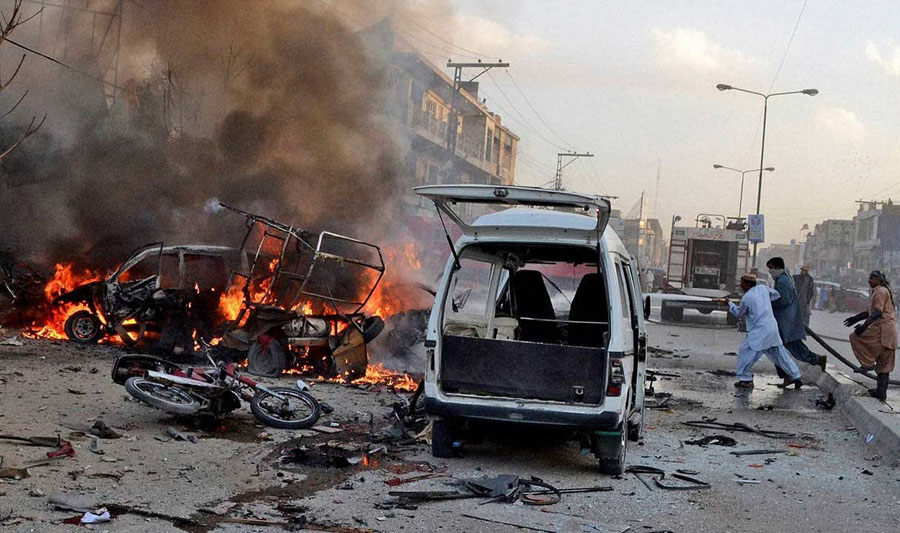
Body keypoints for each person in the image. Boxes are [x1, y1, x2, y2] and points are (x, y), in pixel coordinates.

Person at [721, 274, 803, 389]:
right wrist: (765, 301)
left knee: (746, 352)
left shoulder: (747, 297)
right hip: (771, 327)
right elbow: (776, 294)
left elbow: (739, 313)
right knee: (779, 354)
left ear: (748, 284)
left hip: (759, 330)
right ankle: (795, 375)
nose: (741, 286)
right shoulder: (763, 289)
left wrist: (729, 304)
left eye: (742, 283)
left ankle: (745, 379)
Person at [766, 257, 827, 378]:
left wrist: (769, 302)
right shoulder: (786, 278)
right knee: (794, 346)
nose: (770, 271)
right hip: (788, 318)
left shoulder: (783, 281)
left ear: (778, 268)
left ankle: (788, 375)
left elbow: (784, 300)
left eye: (771, 268)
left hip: (785, 320)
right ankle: (817, 360)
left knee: (780, 348)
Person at [844, 270, 897, 400]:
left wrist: (863, 327)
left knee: (855, 337)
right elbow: (870, 312)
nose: (869, 281)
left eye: (872, 278)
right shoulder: (881, 291)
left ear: (879, 280)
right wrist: (855, 318)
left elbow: (877, 313)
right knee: (884, 364)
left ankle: (867, 363)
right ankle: (881, 392)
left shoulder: (880, 291)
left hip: (883, 330)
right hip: (889, 332)